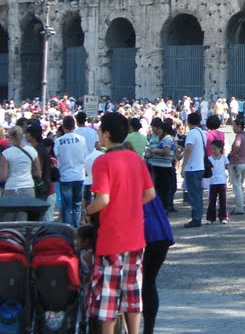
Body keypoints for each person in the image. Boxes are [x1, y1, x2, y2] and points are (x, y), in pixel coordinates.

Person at [82, 111, 155, 334]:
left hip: (111, 236)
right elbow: (150, 193)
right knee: (132, 290)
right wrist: (131, 204)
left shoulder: (103, 161)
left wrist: (88, 210)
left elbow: (102, 199)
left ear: (106, 134)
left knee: (109, 294)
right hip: (135, 235)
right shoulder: (135, 158)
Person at [141, 191, 174, 333]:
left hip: (146, 234)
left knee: (139, 284)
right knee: (149, 282)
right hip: (161, 232)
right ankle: (148, 329)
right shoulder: (145, 178)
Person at [54, 115, 87, 227]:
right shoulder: (82, 140)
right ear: (74, 126)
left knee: (67, 207)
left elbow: (55, 156)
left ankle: (69, 232)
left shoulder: (58, 141)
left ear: (63, 126)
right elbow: (85, 156)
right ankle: (76, 230)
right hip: (79, 175)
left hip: (65, 176)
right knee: (77, 205)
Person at [181, 111, 207, 228]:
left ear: (188, 122)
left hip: (192, 167)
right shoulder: (202, 133)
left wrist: (183, 165)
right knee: (198, 194)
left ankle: (196, 218)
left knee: (193, 194)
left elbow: (188, 149)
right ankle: (197, 216)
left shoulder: (191, 134)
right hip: (200, 166)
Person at [228, 117, 245, 215]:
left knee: (236, 186)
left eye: (234, 125)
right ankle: (241, 205)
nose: (233, 127)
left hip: (237, 163)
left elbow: (237, 145)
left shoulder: (239, 137)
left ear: (239, 126)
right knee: (240, 186)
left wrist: (233, 154)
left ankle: (239, 207)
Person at [205, 139, 229, 224]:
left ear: (220, 148)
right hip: (212, 182)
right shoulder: (209, 159)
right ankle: (210, 218)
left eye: (215, 149)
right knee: (212, 200)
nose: (213, 151)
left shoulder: (224, 158)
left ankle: (223, 217)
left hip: (222, 181)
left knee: (223, 200)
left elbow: (228, 166)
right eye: (212, 149)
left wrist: (230, 176)